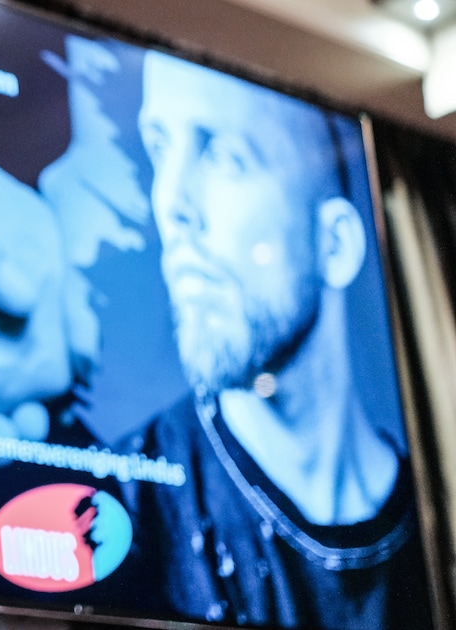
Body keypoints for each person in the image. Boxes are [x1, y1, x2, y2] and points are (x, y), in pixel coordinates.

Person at [119, 51, 431, 629]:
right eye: (160, 148)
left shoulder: (439, 516)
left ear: (334, 244)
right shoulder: (122, 504)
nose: (171, 205)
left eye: (227, 157)